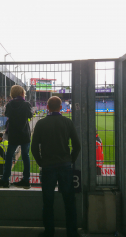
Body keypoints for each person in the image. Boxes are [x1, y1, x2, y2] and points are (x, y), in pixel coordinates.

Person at [31, 96, 81, 237]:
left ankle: (49, 231)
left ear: (47, 107)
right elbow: (77, 145)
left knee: (48, 201)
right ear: (61, 107)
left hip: (48, 166)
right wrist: (70, 160)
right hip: (65, 165)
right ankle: (72, 232)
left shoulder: (41, 124)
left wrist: (41, 162)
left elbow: (34, 148)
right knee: (69, 201)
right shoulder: (67, 122)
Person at [0, 85, 33, 189]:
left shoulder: (9, 104)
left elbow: (7, 114)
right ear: (22, 93)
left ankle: (5, 180)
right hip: (24, 134)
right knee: (25, 156)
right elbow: (30, 115)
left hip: (13, 134)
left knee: (9, 157)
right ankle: (26, 180)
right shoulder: (26, 104)